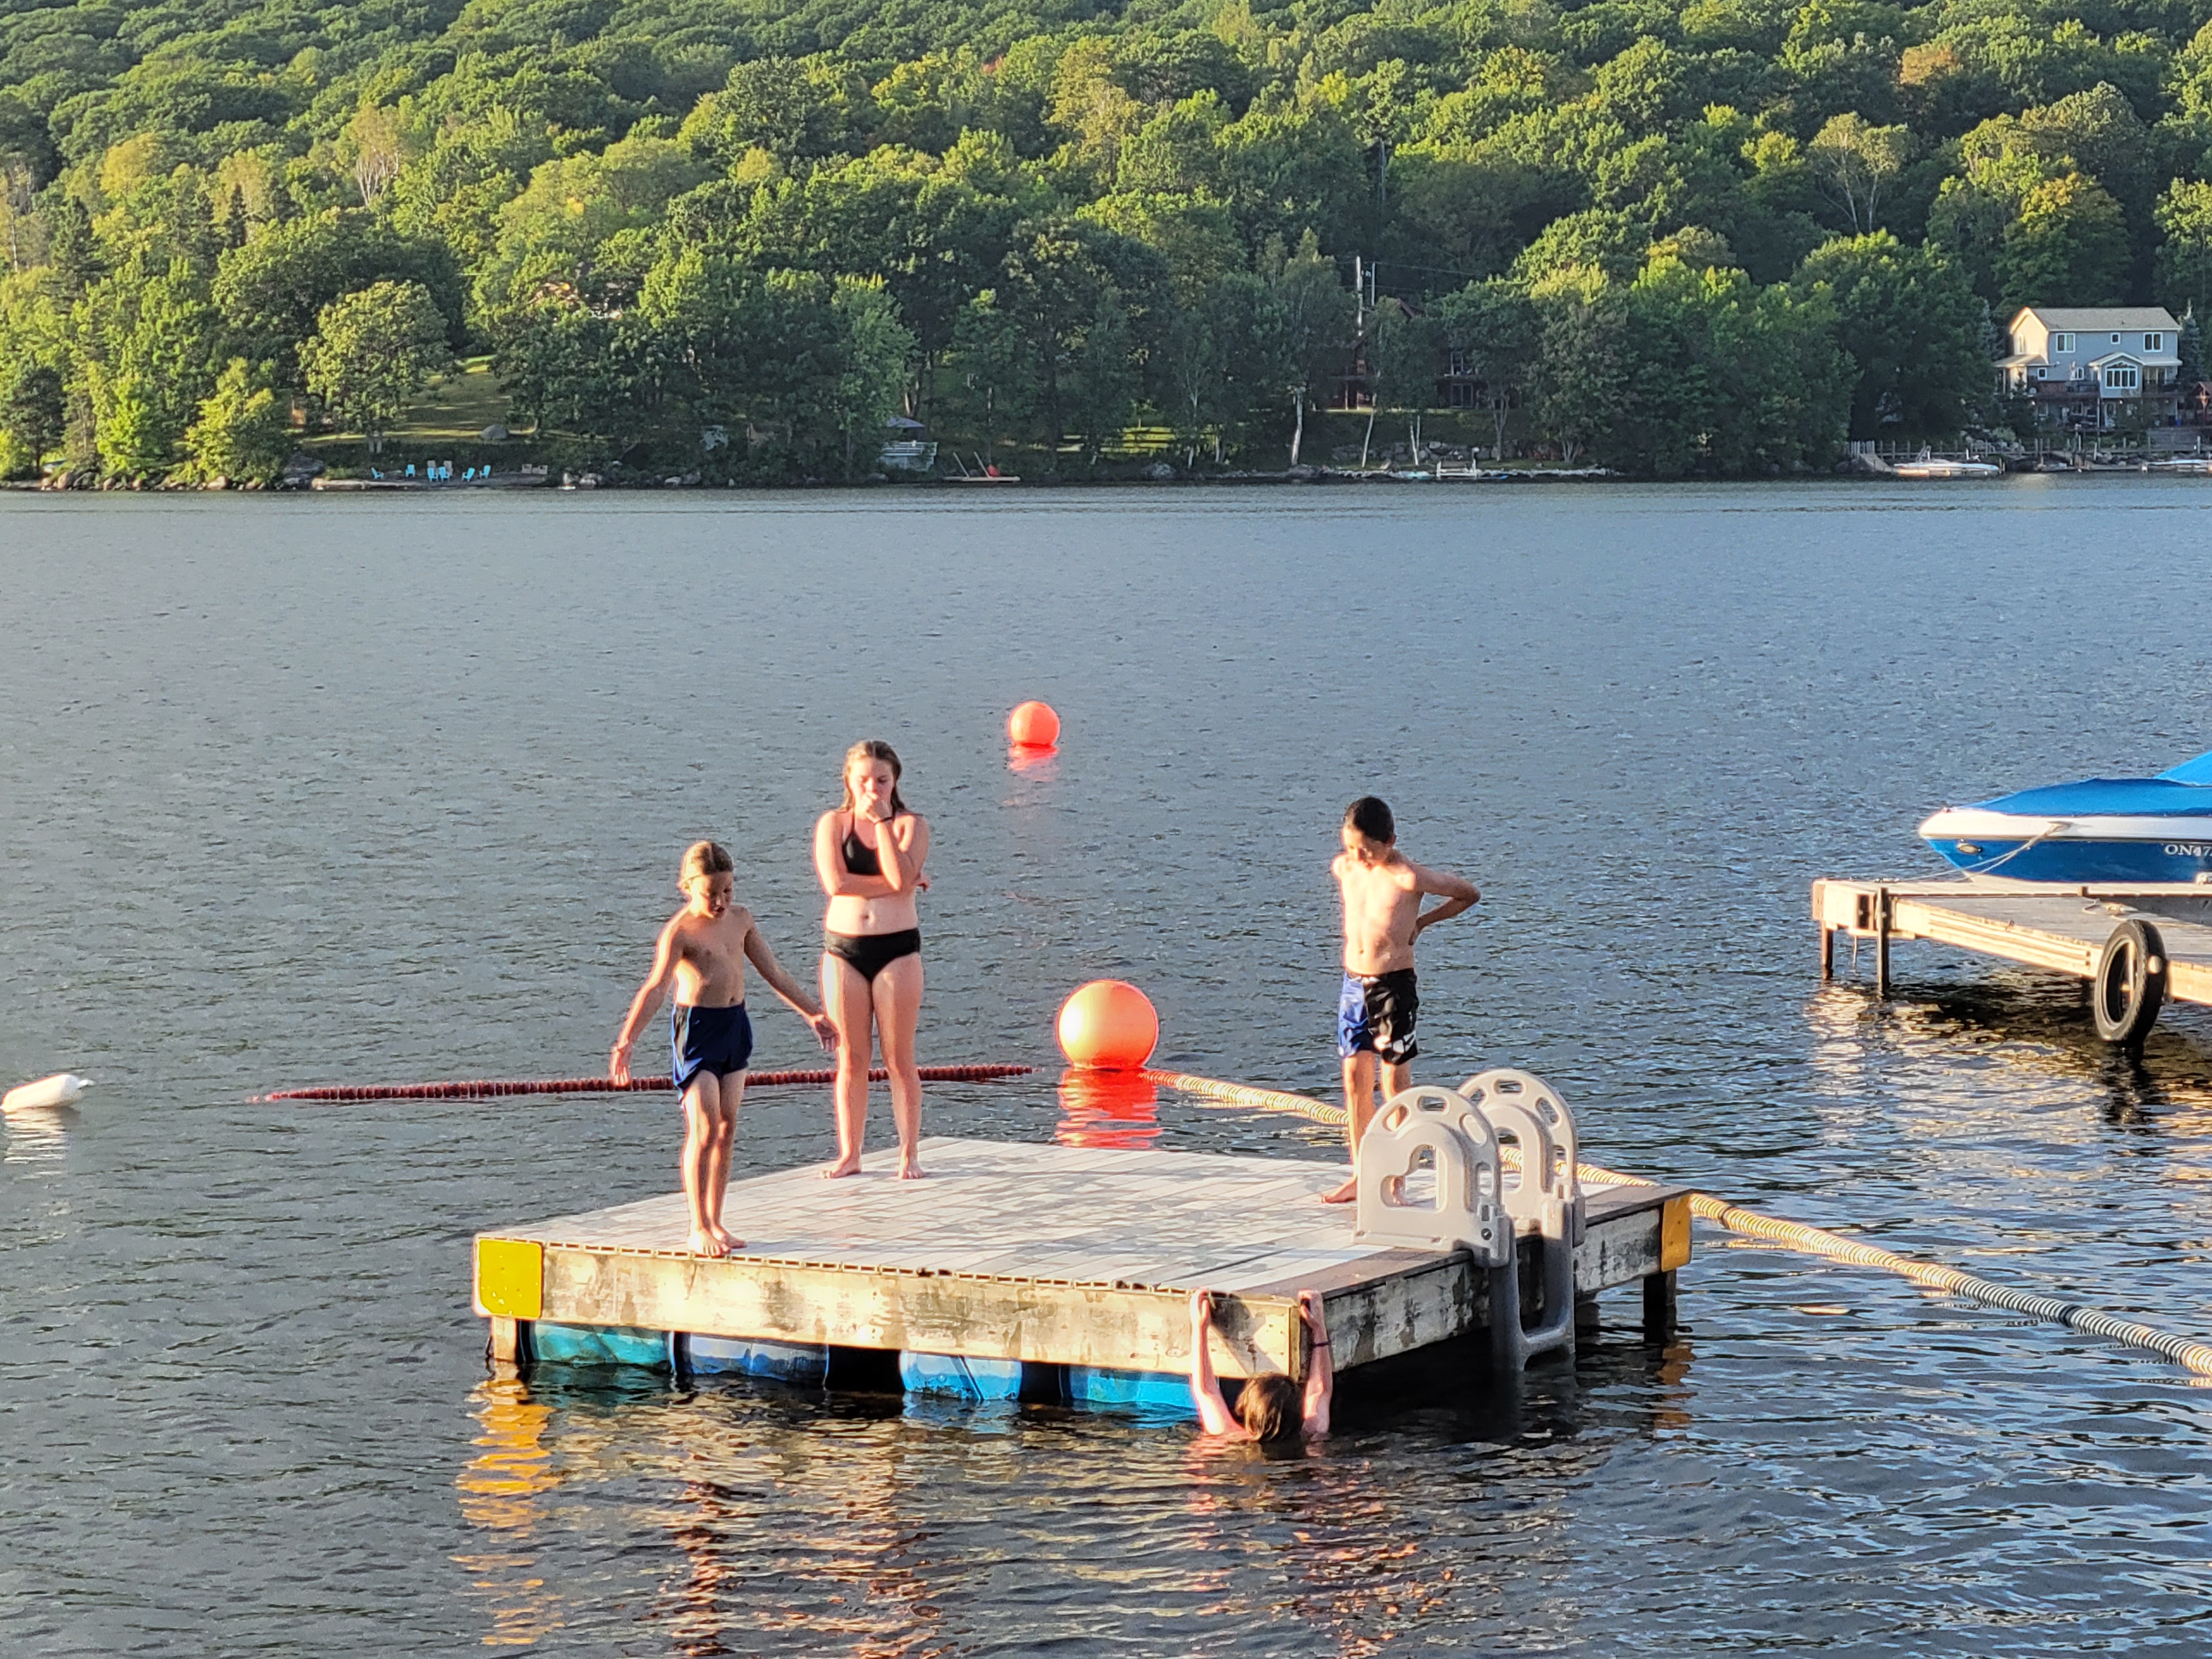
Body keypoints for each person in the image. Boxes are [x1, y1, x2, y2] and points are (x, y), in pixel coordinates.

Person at [611, 840, 836, 1257]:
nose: (720, 902)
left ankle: (716, 1220)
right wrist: (627, 1041)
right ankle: (697, 1226)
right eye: (710, 894)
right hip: (696, 1030)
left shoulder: (742, 920)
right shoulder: (680, 932)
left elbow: (774, 972)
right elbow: (656, 988)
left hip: (735, 1025)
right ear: (687, 887)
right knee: (705, 1127)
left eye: (727, 892)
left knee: (728, 1127)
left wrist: (812, 1013)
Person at [1322, 796, 1481, 1204]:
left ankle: (1396, 1176)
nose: (1359, 856)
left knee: (1393, 1082)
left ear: (1390, 841)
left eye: (1368, 850)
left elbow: (1468, 893)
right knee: (1355, 1081)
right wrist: (1355, 856)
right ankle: (1361, 1172)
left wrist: (1425, 922)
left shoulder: (1407, 877)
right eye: (1352, 845)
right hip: (1354, 985)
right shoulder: (1345, 868)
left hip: (1393, 987)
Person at [814, 740, 932, 1179]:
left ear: (895, 781)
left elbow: (902, 878)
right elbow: (837, 885)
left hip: (896, 947)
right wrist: (901, 881)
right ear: (848, 780)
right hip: (844, 948)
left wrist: (882, 824)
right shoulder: (834, 823)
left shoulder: (909, 826)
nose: (872, 788)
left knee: (900, 1057)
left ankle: (908, 1152)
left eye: (881, 780)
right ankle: (851, 1152)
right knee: (851, 1057)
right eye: (863, 780)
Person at [1188, 1289, 1332, 1442]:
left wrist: (1200, 1327)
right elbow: (1319, 1391)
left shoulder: (1229, 1436)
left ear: (1247, 1410)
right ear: (1299, 1411)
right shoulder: (1314, 1431)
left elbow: (1206, 1391)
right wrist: (1319, 1328)